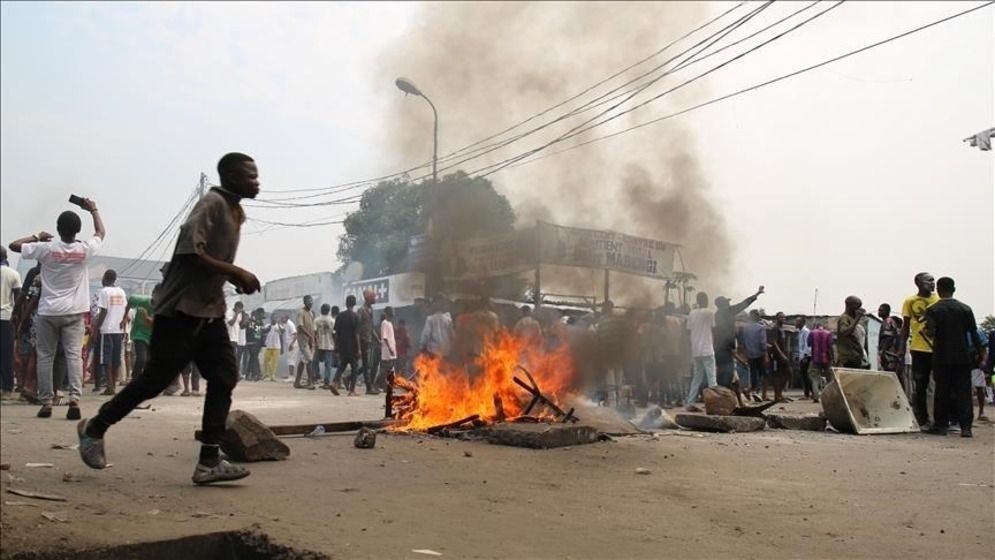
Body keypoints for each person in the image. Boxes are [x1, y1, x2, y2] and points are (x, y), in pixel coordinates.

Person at [76, 152, 261, 485]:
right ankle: (94, 428)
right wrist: (235, 271)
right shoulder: (213, 204)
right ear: (231, 177)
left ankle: (208, 461)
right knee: (155, 380)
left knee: (224, 377)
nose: (256, 181)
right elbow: (191, 250)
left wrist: (228, 278)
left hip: (209, 311)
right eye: (250, 175)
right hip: (179, 311)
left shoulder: (236, 211)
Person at [9, 197, 105, 419]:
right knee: (73, 356)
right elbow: (100, 233)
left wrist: (37, 236)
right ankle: (74, 399)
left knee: (45, 357)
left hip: (48, 312)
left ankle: (46, 403)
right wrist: (93, 210)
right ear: (78, 230)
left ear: (58, 229)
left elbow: (14, 245)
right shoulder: (84, 249)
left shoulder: (46, 249)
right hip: (74, 313)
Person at [923, 277, 985, 438]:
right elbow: (974, 333)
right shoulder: (965, 309)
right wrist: (981, 353)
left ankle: (941, 426)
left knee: (942, 391)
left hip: (941, 356)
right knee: (963, 392)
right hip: (963, 356)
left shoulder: (933, 309)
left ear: (938, 289)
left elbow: (930, 332)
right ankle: (966, 427)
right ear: (954, 289)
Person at [902, 272, 939, 429]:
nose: (932, 283)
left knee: (939, 384)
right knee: (920, 384)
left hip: (937, 348)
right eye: (929, 280)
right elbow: (905, 326)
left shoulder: (938, 300)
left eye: (933, 281)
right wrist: (900, 348)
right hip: (918, 348)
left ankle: (939, 418)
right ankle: (922, 419)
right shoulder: (910, 301)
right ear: (918, 283)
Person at [712, 286, 764, 395]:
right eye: (726, 302)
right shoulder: (727, 311)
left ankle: (723, 396)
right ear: (722, 305)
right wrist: (757, 294)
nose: (728, 304)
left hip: (719, 347)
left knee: (722, 374)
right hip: (725, 348)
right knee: (727, 375)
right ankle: (725, 397)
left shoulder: (717, 314)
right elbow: (744, 304)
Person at [93, 270, 127, 396]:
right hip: (118, 329)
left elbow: (103, 311)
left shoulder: (104, 291)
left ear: (105, 278)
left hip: (107, 329)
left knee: (106, 358)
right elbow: (125, 308)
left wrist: (96, 328)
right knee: (115, 358)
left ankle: (110, 386)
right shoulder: (121, 292)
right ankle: (112, 384)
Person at [684, 292, 716, 411]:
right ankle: (714, 404)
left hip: (696, 350)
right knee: (712, 378)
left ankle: (690, 403)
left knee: (696, 378)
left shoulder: (692, 313)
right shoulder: (710, 312)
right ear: (706, 300)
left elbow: (688, 330)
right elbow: (713, 329)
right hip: (707, 349)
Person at [0, 246, 22, 399]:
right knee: (6, 354)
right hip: (6, 317)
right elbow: (18, 297)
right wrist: (17, 316)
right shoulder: (13, 274)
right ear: (6, 257)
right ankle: (7, 388)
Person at [333, 294, 362, 396]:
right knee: (354, 368)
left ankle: (335, 383)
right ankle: (352, 390)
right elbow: (357, 334)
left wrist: (336, 346)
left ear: (346, 303)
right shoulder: (356, 317)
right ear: (354, 304)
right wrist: (359, 349)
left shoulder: (340, 316)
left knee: (342, 365)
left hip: (342, 346)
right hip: (352, 347)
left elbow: (336, 333)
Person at [124, 292, 154, 381]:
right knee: (142, 358)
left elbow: (152, 322)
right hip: (139, 334)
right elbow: (131, 299)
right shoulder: (142, 300)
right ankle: (135, 377)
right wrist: (124, 316)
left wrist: (146, 316)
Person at [739, 310, 768, 401]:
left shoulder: (745, 328)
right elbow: (763, 343)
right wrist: (766, 354)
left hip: (750, 354)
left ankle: (752, 391)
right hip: (760, 354)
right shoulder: (761, 328)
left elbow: (743, 343)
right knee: (763, 374)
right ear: (757, 316)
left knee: (753, 374)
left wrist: (745, 354)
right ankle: (757, 392)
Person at [357, 290, 380, 394]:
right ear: (367, 298)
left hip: (369, 340)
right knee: (367, 365)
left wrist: (377, 339)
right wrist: (357, 345)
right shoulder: (361, 310)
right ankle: (369, 388)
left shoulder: (370, 309)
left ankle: (348, 378)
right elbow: (357, 328)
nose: (375, 298)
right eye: (373, 297)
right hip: (363, 340)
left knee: (368, 364)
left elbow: (371, 327)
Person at [836, 296, 868, 369]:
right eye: (857, 307)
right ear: (849, 306)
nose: (859, 309)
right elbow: (845, 332)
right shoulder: (844, 318)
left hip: (855, 357)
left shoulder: (851, 319)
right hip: (848, 358)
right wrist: (857, 318)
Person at [313, 303, 338, 393]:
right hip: (329, 345)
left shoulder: (316, 320)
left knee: (315, 362)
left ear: (321, 310)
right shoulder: (332, 321)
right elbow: (334, 334)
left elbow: (315, 333)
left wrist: (315, 343)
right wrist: (336, 344)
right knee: (328, 365)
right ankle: (326, 382)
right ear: (328, 310)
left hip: (319, 345)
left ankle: (317, 376)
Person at [766, 312, 791, 402]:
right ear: (777, 318)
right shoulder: (775, 328)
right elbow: (774, 342)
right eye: (781, 317)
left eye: (784, 317)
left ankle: (780, 394)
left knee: (787, 374)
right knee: (778, 376)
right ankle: (777, 396)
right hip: (776, 356)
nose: (783, 319)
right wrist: (781, 354)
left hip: (782, 355)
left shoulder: (782, 329)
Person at [807, 323, 834, 402]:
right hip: (826, 359)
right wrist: (833, 358)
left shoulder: (812, 333)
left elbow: (808, 344)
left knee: (815, 378)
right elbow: (830, 347)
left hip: (815, 359)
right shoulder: (828, 333)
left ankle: (816, 397)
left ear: (816, 326)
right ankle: (829, 397)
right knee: (829, 379)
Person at [294, 295, 317, 390]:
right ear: (304, 302)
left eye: (311, 301)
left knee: (303, 360)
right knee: (309, 360)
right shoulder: (301, 312)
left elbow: (311, 327)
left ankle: (297, 382)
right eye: (308, 301)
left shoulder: (311, 313)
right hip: (303, 340)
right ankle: (310, 382)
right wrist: (310, 336)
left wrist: (313, 338)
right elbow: (300, 327)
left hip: (309, 340)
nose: (310, 303)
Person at [970, 326, 989, 421]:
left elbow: (984, 348)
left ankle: (981, 412)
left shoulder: (977, 331)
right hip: (961, 361)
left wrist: (984, 361)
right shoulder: (956, 329)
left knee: (979, 387)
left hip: (975, 362)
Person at [226, 301, 246, 379]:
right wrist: (236, 314)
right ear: (236, 307)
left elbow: (241, 326)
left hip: (235, 338)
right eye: (239, 309)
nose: (240, 310)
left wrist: (244, 317)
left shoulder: (240, 314)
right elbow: (231, 323)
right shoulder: (229, 312)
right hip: (229, 338)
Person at [242, 308, 264, 381]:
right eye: (261, 314)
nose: (262, 316)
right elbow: (246, 328)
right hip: (251, 343)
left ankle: (248, 375)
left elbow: (258, 334)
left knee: (252, 358)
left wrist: (260, 343)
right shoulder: (251, 321)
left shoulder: (259, 322)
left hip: (257, 343)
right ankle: (256, 374)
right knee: (254, 358)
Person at [262, 313, 284, 382]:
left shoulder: (279, 326)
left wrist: (279, 324)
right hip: (268, 345)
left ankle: (273, 375)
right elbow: (264, 332)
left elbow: (282, 333)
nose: (275, 319)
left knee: (274, 362)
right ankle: (266, 373)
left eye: (276, 317)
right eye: (274, 317)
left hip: (276, 346)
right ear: (271, 318)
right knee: (266, 360)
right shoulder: (268, 325)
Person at [795, 317, 812, 398]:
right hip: (802, 356)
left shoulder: (806, 331)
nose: (795, 323)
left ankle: (808, 394)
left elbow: (807, 344)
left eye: (797, 321)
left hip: (806, 356)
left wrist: (805, 356)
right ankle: (810, 393)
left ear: (802, 322)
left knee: (805, 375)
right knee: (804, 375)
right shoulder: (801, 331)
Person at [380, 306, 397, 381]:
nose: (393, 313)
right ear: (387, 313)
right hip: (387, 349)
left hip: (391, 348)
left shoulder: (390, 323)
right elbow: (385, 337)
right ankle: (376, 384)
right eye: (391, 311)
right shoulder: (384, 323)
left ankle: (388, 385)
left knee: (390, 367)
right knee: (387, 368)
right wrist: (390, 348)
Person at [281, 315, 297, 381]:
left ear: (287, 318)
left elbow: (296, 334)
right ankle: (290, 375)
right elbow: (282, 331)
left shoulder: (290, 324)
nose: (281, 319)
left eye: (283, 318)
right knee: (289, 359)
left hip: (292, 344)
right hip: (289, 344)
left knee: (291, 360)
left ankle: (291, 376)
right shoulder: (285, 324)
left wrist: (292, 344)